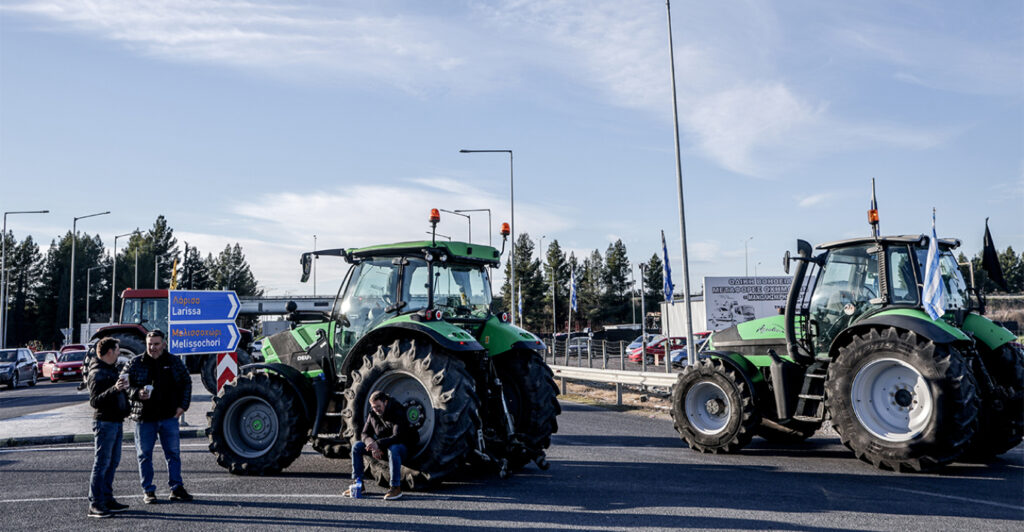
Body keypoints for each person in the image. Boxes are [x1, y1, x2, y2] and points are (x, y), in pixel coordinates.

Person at [124, 329, 194, 503]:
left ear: (163, 344)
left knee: (173, 454)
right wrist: (137, 393)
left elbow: (187, 382)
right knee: (144, 455)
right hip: (144, 418)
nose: (153, 348)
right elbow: (123, 385)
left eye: (156, 344)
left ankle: (176, 488)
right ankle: (148, 490)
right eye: (149, 344)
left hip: (169, 416)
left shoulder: (174, 362)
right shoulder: (135, 363)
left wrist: (183, 406)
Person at [86, 337, 131, 518]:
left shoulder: (109, 370)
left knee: (112, 462)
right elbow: (95, 401)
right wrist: (115, 388)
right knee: (102, 463)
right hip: (105, 422)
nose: (119, 353)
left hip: (115, 421)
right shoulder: (97, 372)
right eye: (118, 350)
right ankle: (95, 503)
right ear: (110, 351)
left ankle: (106, 497)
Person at [343, 390, 415, 501]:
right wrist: (371, 444)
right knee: (357, 446)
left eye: (378, 406)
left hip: (402, 448)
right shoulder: (373, 413)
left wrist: (377, 445)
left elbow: (397, 436)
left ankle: (395, 487)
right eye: (373, 407)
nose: (376, 410)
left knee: (394, 449)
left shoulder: (398, 411)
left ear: (385, 402)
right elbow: (364, 433)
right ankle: (358, 484)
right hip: (382, 448)